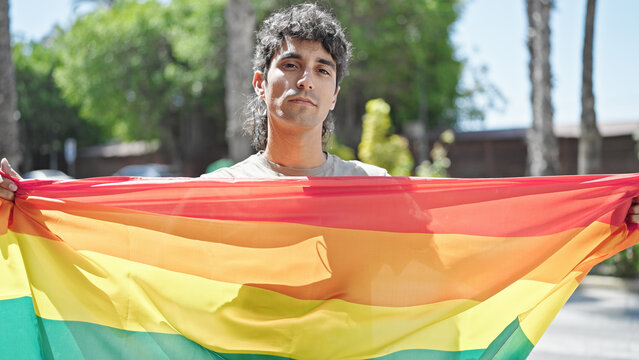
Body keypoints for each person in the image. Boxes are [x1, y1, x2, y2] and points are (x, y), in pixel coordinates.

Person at [0, 3, 637, 222]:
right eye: (290, 64)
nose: (306, 79)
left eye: (323, 69)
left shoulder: (377, 190)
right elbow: (128, 249)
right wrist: (25, 205)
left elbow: (457, 254)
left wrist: (602, 214)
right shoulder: (217, 192)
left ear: (336, 95)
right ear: (260, 82)